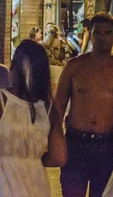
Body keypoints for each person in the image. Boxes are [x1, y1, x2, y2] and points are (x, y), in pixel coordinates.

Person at [55, 13, 113, 197]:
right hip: (76, 142)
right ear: (90, 34)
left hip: (107, 144)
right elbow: (57, 108)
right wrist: (55, 142)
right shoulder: (74, 66)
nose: (103, 37)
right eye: (98, 32)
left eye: (107, 33)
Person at [0, 40, 67, 197]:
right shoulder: (48, 108)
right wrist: (32, 159)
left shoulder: (2, 101)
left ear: (14, 66)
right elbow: (59, 157)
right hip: (37, 185)